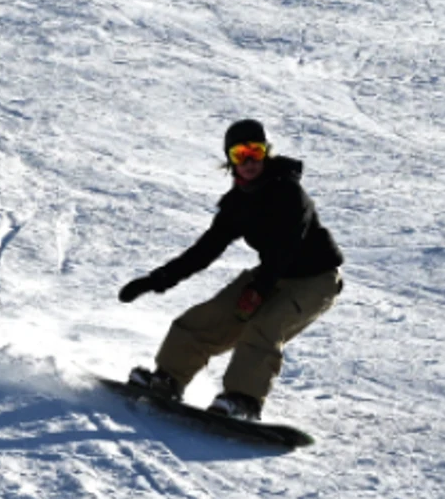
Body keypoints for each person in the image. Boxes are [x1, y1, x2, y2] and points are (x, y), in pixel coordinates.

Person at [119, 120, 344, 422]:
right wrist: (157, 279)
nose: (249, 161)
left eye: (256, 151)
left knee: (264, 325)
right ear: (230, 160)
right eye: (240, 154)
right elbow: (205, 251)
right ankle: (168, 379)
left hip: (316, 278)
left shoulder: (290, 193)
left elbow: (286, 247)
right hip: (272, 274)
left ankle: (244, 400)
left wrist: (259, 289)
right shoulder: (237, 204)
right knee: (207, 318)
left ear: (266, 152)